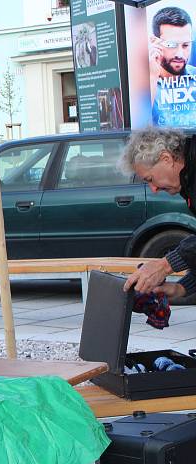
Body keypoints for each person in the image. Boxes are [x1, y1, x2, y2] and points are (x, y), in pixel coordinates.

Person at [118, 127, 196, 298]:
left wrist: (165, 265)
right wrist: (181, 288)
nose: (153, 189)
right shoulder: (189, 181)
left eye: (150, 179)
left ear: (166, 158)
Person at [149, 7, 196, 127]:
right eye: (171, 45)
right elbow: (138, 129)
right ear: (154, 42)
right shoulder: (142, 83)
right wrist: (152, 77)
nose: (180, 54)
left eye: (185, 45)